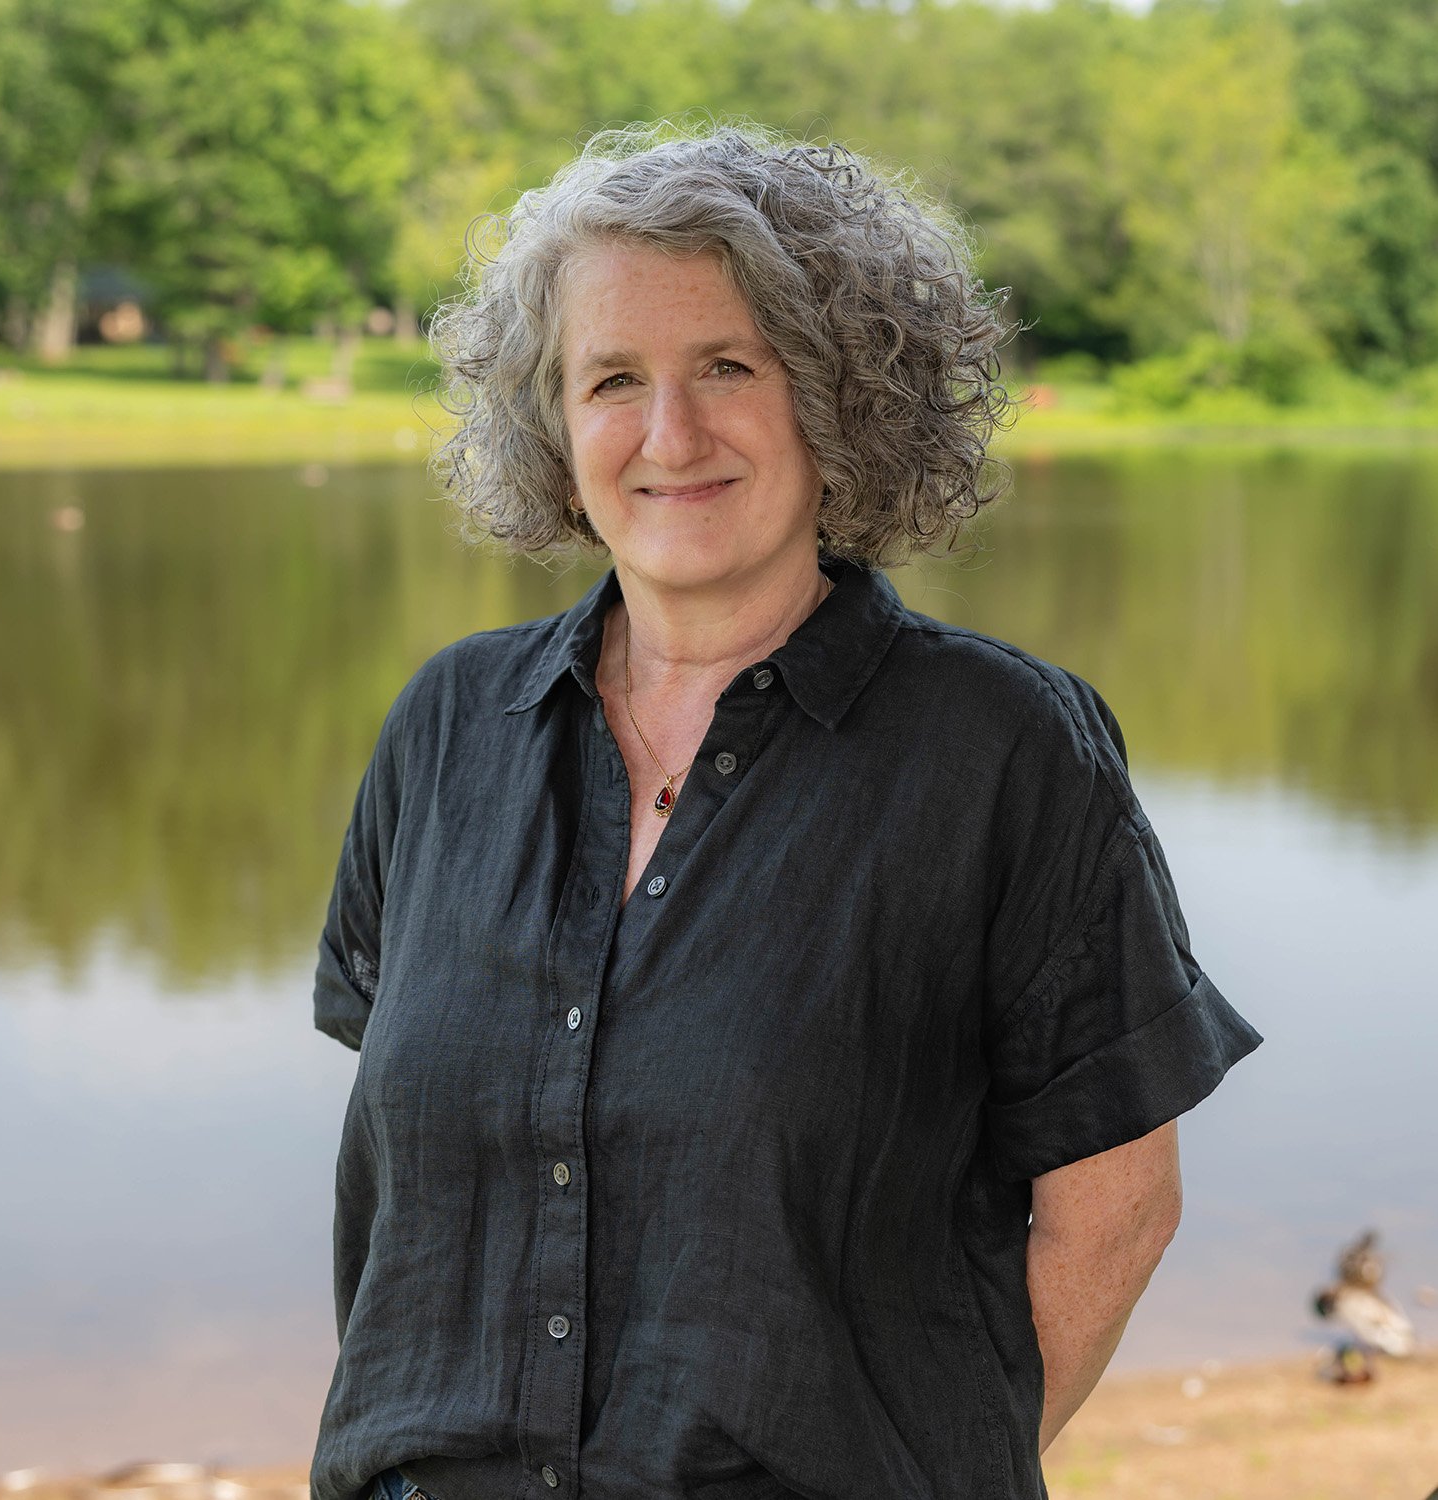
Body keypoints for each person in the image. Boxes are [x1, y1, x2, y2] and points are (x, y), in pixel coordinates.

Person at [310, 122, 1261, 1500]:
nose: (668, 434)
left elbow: (1114, 1212)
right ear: (554, 420)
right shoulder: (448, 728)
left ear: (836, 397)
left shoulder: (1000, 750)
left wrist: (926, 1461)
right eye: (613, 379)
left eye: (728, 368)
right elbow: (415, 1191)